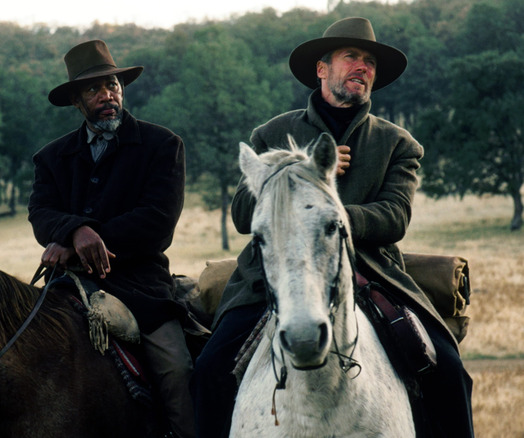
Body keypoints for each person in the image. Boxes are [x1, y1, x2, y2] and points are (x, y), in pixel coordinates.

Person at [191, 17, 474, 438]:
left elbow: (395, 215)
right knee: (208, 370)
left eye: (369, 62)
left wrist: (331, 211)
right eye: (351, 57)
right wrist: (295, 174)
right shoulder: (273, 133)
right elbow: (242, 215)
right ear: (322, 69)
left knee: (449, 371)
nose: (362, 67)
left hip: (372, 272)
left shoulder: (397, 143)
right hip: (274, 274)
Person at [28, 40, 195, 438]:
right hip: (67, 286)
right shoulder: (51, 158)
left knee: (178, 370)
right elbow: (40, 215)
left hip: (142, 288)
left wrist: (77, 240)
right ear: (76, 101)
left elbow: (157, 222)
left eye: (113, 85)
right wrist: (75, 231)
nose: (107, 95)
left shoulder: (162, 145)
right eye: (94, 89)